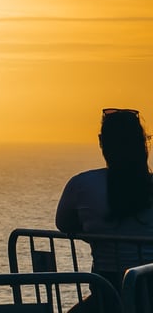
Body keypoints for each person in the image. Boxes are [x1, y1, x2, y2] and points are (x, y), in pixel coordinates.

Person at [56, 108, 153, 310]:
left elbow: (64, 223)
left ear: (102, 143)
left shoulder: (82, 185)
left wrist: (96, 231)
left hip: (107, 297)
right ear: (142, 143)